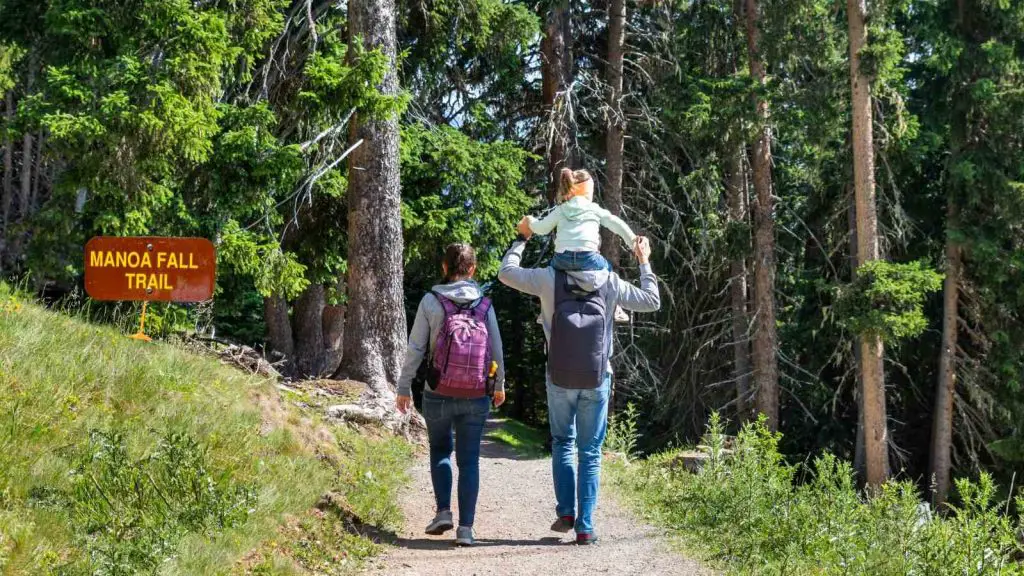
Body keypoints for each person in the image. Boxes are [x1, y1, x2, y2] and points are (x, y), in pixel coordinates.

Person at [497, 220, 660, 545]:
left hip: (558, 375)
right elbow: (652, 300)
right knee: (590, 451)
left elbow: (506, 272)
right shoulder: (610, 282)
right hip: (597, 377)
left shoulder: (547, 278)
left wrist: (522, 238)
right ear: (595, 247)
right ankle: (585, 527)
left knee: (563, 442)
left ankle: (566, 512)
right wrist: (644, 261)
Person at [396, 243, 506, 547]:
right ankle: (466, 530)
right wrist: (499, 385)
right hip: (476, 394)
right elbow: (496, 348)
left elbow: (416, 347)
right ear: (472, 270)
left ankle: (443, 512)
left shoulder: (431, 302)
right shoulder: (484, 305)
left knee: (441, 450)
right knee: (469, 461)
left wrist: (404, 387)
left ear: (445, 268)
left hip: (438, 391)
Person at [523, 167, 638, 321]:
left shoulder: (561, 209)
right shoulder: (593, 209)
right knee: (608, 272)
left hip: (562, 259)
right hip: (589, 258)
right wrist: (633, 241)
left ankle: (546, 312)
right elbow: (616, 223)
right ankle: (616, 308)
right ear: (587, 191)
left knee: (550, 277)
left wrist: (530, 220)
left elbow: (542, 229)